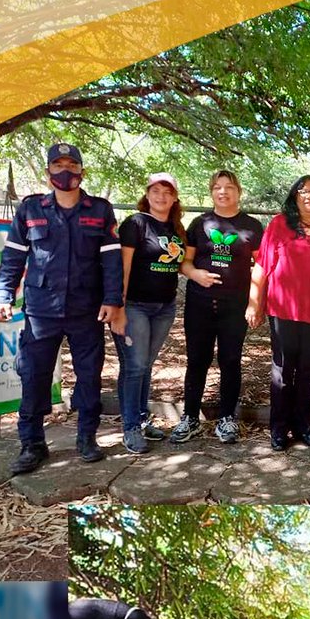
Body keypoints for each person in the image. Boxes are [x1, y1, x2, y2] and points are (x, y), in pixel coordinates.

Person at [0, 142, 125, 474]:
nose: (64, 171)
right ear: (48, 171)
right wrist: (3, 296)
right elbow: (12, 258)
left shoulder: (100, 210)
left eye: (71, 164)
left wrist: (112, 300)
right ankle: (32, 445)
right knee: (34, 376)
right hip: (41, 311)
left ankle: (86, 438)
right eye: (58, 165)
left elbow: (111, 260)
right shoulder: (30, 210)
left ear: (82, 170)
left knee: (88, 376)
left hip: (87, 310)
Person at [247, 175, 310, 449]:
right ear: (295, 197)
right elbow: (262, 265)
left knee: (307, 369)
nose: (309, 196)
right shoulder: (279, 225)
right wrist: (254, 302)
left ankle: (302, 426)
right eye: (303, 191)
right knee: (282, 369)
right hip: (282, 309)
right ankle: (278, 429)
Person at [170, 170, 263, 445]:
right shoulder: (200, 224)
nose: (223, 192)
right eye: (218, 187)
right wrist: (195, 274)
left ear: (239, 192)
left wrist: (254, 302)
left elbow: (261, 266)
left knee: (230, 361)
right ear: (211, 192)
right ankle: (189, 418)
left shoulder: (252, 226)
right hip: (199, 303)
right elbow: (184, 263)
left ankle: (226, 418)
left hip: (234, 305)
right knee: (197, 360)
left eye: (229, 187)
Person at [114, 174, 186, 453]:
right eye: (155, 191)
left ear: (175, 197)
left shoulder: (175, 228)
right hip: (134, 306)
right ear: (147, 194)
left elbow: (180, 264)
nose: (161, 196)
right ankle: (130, 427)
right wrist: (118, 307)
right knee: (134, 366)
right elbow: (124, 267)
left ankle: (141, 420)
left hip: (164, 307)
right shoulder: (136, 223)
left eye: (167, 192)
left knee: (145, 365)